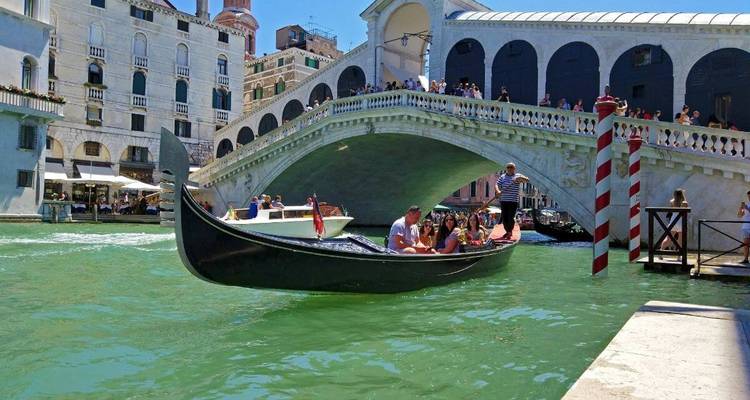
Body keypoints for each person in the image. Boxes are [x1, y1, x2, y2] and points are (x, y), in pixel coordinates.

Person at [495, 163, 529, 240]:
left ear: (514, 168)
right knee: (504, 218)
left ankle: (509, 232)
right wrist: (498, 191)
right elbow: (497, 184)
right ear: (506, 168)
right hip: (503, 200)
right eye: (508, 167)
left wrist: (520, 177)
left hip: (513, 201)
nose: (510, 168)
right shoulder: (502, 177)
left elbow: (527, 180)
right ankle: (508, 231)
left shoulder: (517, 176)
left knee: (510, 217)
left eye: (511, 167)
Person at [738, 190, 750, 263]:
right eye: (748, 196)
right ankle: (745, 259)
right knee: (746, 243)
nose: (749, 198)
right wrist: (741, 208)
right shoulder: (747, 205)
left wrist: (747, 208)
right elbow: (739, 215)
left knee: (747, 242)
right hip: (745, 227)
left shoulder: (747, 206)